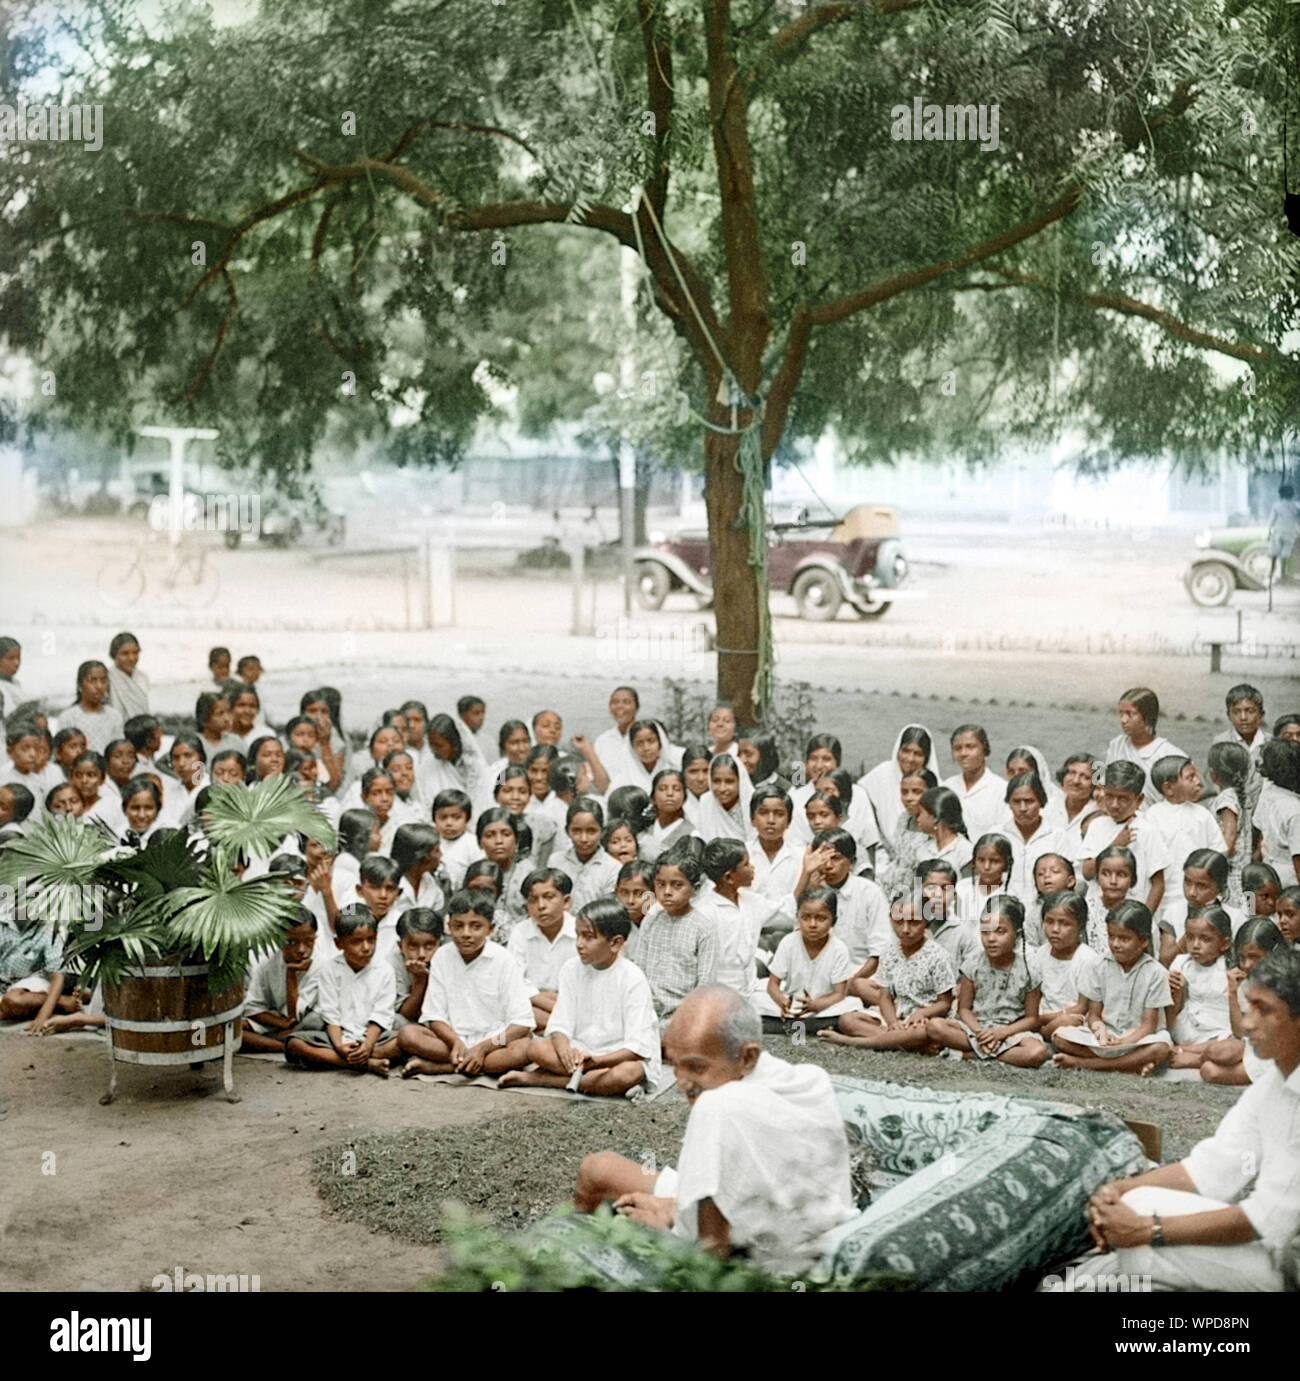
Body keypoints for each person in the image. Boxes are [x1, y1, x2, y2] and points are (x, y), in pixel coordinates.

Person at [1064, 946, 1300, 1292]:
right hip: (1278, 1254)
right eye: (1249, 1007)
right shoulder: (1271, 1089)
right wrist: (1117, 1190)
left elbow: (1267, 1219)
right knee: (1135, 1209)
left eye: (1264, 1010)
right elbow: (1211, 1168)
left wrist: (1148, 1229)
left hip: (1291, 1267)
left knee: (1136, 1249)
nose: (1247, 1024)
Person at [575, 985, 856, 1276]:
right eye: (675, 1066)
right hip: (790, 1234)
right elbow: (763, 1193)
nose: (682, 1082)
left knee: (595, 1173)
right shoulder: (811, 1080)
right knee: (600, 1168)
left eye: (696, 1068)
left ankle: (576, 1265)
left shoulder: (716, 1105)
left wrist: (664, 1229)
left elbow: (709, 1259)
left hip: (765, 1268)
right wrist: (676, 1207)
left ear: (747, 1057)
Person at [500, 897, 660, 1096]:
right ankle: (596, 1083)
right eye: (577, 935)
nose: (579, 944)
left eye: (588, 937)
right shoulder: (571, 969)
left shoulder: (633, 978)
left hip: (616, 1057)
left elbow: (637, 1047)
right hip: (580, 1053)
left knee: (628, 1073)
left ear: (615, 943)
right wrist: (564, 1050)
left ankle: (540, 1079)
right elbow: (560, 1024)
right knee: (536, 1049)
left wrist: (596, 1061)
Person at [397, 889, 534, 1077]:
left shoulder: (504, 959)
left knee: (524, 1049)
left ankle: (442, 1067)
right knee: (407, 1035)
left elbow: (522, 1023)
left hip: (494, 1042)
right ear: (449, 926)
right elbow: (434, 1015)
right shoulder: (442, 957)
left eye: (476, 926)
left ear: (491, 929)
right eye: (458, 926)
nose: (466, 934)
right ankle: (472, 1064)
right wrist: (455, 1042)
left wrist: (484, 1048)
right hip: (452, 1040)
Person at [926, 893, 1050, 1066]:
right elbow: (964, 1009)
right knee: (935, 1026)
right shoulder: (973, 964)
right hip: (974, 1028)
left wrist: (1000, 1033)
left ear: (1018, 934)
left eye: (1000, 931)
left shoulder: (1030, 970)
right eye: (985, 931)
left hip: (1011, 1032)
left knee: (1037, 1052)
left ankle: (969, 1055)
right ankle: (994, 1053)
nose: (991, 939)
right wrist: (980, 1032)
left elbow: (1032, 1019)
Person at [1051, 900, 1173, 1075]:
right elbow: (1093, 1014)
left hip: (1139, 1039)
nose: (1115, 944)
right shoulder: (1098, 965)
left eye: (1124, 939)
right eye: (1111, 936)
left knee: (1161, 1047)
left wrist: (1124, 1043)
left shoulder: (1156, 973)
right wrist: (1100, 1031)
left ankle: (1086, 1064)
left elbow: (1149, 1026)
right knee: (1060, 1037)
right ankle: (1132, 1064)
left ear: (1144, 941)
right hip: (1104, 1039)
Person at [821, 899, 956, 1052]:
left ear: (926, 922)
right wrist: (892, 1022)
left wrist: (922, 1012)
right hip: (897, 1014)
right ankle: (908, 1044)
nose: (905, 929)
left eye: (914, 922)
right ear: (891, 920)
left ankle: (855, 1042)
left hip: (923, 1020)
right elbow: (885, 997)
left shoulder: (938, 956)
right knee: (848, 1020)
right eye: (899, 922)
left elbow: (945, 1003)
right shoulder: (890, 952)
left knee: (923, 1032)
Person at [284, 906, 397, 1076]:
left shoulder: (385, 970)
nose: (366, 947)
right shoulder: (330, 969)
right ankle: (364, 1064)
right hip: (337, 1039)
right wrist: (339, 1046)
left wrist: (366, 1046)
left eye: (371, 939)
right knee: (294, 1044)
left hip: (375, 1040)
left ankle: (348, 1059)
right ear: (339, 944)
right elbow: (330, 1014)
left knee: (405, 1039)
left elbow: (381, 1014)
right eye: (356, 941)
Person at [627, 850, 717, 1020]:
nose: (667, 892)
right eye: (661, 884)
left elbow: (705, 985)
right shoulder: (651, 920)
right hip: (647, 1012)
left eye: (677, 885)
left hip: (684, 1016)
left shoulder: (703, 927)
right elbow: (639, 971)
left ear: (695, 889)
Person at [758, 887, 861, 1034]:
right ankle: (812, 1026)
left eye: (820, 918)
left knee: (851, 1005)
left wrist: (816, 1005)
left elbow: (839, 994)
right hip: (792, 1003)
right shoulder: (788, 942)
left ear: (834, 921)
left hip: (824, 1006)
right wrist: (782, 1001)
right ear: (797, 917)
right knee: (756, 999)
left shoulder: (839, 949)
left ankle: (787, 1026)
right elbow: (773, 985)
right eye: (805, 918)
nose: (812, 924)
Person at [1199, 917, 1286, 1085]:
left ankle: (1188, 1058)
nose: (1246, 964)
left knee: (1209, 1070)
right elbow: (1240, 1033)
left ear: (1274, 952)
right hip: (1256, 1046)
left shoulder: (1288, 981)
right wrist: (1232, 993)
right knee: (1218, 1051)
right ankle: (1188, 1056)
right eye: (1242, 957)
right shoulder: (1247, 981)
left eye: (1254, 957)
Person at [240, 907, 326, 1053]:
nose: (301, 949)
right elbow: (252, 1007)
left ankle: (283, 1044)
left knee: (314, 1022)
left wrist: (291, 974)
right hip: (279, 1021)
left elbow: (296, 1016)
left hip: (307, 1023)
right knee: (233, 1030)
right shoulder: (267, 962)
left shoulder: (321, 966)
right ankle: (286, 1046)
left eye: (309, 942)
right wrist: (282, 1023)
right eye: (292, 942)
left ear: (315, 939)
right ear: (279, 940)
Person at [507, 867, 577, 1032]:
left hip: (572, 1002)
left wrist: (561, 1003)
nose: (541, 906)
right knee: (519, 1012)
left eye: (549, 897)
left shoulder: (580, 931)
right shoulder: (520, 932)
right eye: (533, 900)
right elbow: (514, 981)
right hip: (533, 1004)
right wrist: (543, 1000)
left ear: (566, 902)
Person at [1167, 906, 1235, 1066]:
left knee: (1230, 1045)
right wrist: (1177, 992)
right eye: (1190, 938)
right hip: (1186, 1028)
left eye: (1205, 939)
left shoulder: (1229, 968)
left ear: (1224, 944)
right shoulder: (1181, 963)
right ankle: (1186, 1050)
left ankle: (1187, 1053)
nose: (1195, 945)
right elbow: (1172, 1012)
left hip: (1218, 1032)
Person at [1034, 890, 1100, 1041]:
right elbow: (1035, 995)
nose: (1055, 930)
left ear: (1080, 926)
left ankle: (1042, 1036)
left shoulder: (1088, 959)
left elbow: (1082, 1007)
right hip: (1042, 1016)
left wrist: (1041, 1020)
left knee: (1068, 1023)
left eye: (1064, 924)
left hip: (1071, 1020)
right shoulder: (1041, 954)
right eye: (1049, 921)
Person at [858, 723, 938, 846]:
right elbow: (862, 803)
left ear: (927, 758)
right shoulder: (881, 775)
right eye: (905, 751)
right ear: (897, 750)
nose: (910, 759)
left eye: (918, 754)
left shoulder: (936, 788)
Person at [1104, 687, 1185, 806]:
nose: (1123, 720)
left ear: (1147, 717)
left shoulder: (1170, 754)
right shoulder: (1116, 745)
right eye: (1120, 713)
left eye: (1130, 714)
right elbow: (1101, 780)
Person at [1207, 740, 1255, 909]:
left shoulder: (1226, 800)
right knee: (1248, 913)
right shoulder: (1239, 794)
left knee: (1233, 915)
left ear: (1213, 774)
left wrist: (1215, 861)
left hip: (1231, 872)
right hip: (1246, 869)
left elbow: (1230, 834)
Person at [941, 724, 1006, 840]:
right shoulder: (947, 787)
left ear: (984, 749)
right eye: (957, 748)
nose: (963, 753)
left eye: (970, 747)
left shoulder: (1001, 789)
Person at [389, 907, 443, 1037]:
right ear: (400, 946)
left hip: (441, 1023)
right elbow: (405, 1014)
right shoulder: (392, 964)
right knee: (396, 1022)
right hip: (410, 1024)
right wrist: (420, 981)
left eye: (429, 946)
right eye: (413, 946)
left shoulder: (445, 959)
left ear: (439, 944)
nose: (421, 954)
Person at [1255, 738, 1300, 888]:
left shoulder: (1268, 794)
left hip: (1269, 871)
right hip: (1291, 879)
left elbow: (1259, 834)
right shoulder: (1294, 810)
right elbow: (1298, 858)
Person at [59, 661, 125, 756]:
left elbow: (118, 750)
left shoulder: (114, 716)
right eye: (93, 681)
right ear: (80, 685)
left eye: (103, 680)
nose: (99, 686)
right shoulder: (68, 717)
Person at [1212, 684, 1270, 769]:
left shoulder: (1270, 743)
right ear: (1229, 715)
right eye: (1236, 712)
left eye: (1250, 711)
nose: (1243, 717)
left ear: (1261, 715)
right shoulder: (1221, 743)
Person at [1266, 480, 1298, 584]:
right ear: (1292, 494)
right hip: (1290, 532)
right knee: (1285, 554)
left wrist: (1268, 531)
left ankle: (1271, 573)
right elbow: (1298, 520)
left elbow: (1271, 520)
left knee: (1274, 553)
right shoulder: (1295, 507)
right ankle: (1283, 574)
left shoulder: (1277, 506)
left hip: (1278, 532)